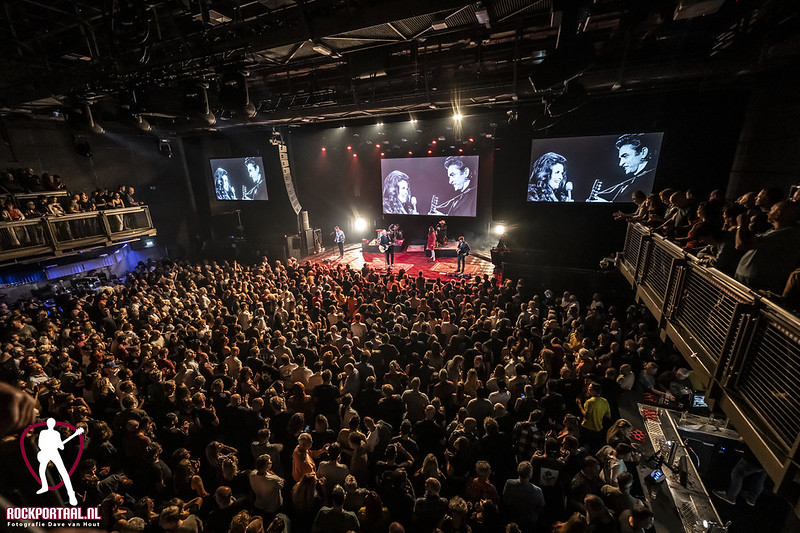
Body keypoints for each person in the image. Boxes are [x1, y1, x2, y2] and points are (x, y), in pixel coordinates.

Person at [588, 134, 656, 202]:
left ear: (643, 153)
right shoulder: (635, 180)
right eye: (620, 158)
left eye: (625, 156)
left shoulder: (649, 179)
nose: (620, 164)